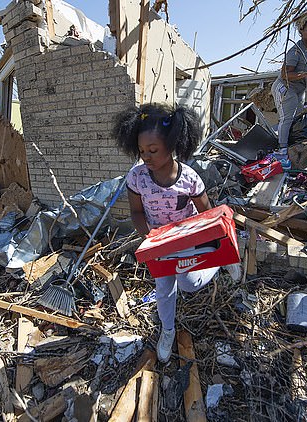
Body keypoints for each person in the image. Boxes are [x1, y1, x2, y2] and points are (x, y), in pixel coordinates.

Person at [112, 103, 240, 363]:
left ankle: (221, 263)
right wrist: (150, 236)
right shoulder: (137, 178)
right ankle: (167, 331)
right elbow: (137, 213)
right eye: (141, 151)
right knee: (163, 289)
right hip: (159, 243)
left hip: (188, 240)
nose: (146, 156)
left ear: (171, 146)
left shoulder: (189, 179)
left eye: (153, 150)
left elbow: (208, 214)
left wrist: (217, 246)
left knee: (188, 283)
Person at [271, 10, 307, 166]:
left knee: (299, 116)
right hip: (285, 87)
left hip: (299, 89)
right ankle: (282, 150)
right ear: (301, 31)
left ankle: (294, 144)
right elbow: (285, 74)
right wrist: (305, 75)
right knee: (287, 118)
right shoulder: (295, 51)